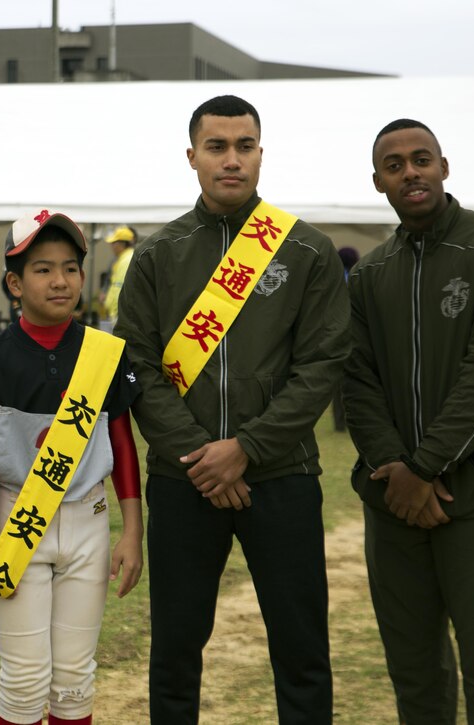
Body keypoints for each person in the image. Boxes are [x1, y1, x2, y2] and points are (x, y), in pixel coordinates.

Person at [114, 95, 348, 724]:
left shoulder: (306, 252)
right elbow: (137, 364)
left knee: (301, 652)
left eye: (244, 146)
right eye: (217, 147)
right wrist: (201, 457)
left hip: (283, 476)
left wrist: (245, 449)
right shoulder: (158, 255)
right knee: (175, 653)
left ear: (261, 154)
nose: (232, 159)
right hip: (182, 479)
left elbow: (322, 366)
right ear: (192, 156)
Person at [343, 118, 474, 724]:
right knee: (414, 672)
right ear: (378, 181)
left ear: (444, 167)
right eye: (395, 164)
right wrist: (395, 472)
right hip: (394, 505)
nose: (411, 172)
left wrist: (425, 467)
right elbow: (358, 382)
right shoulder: (371, 275)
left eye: (421, 159)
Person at [0, 208, 143, 725]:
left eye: (70, 267)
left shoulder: (106, 354)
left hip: (88, 519)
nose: (59, 280)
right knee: (23, 679)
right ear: (14, 283)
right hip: (17, 520)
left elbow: (122, 443)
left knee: (74, 681)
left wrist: (132, 531)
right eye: (42, 269)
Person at [331, 246, 361, 432]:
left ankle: (339, 422)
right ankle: (353, 420)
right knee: (355, 381)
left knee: (337, 385)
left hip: (335, 336)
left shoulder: (333, 278)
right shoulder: (359, 277)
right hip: (355, 336)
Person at [101, 225, 136, 323]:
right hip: (119, 313)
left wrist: (117, 313)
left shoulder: (126, 260)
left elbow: (120, 288)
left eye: (114, 242)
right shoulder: (124, 259)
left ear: (122, 243)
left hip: (119, 314)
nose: (112, 246)